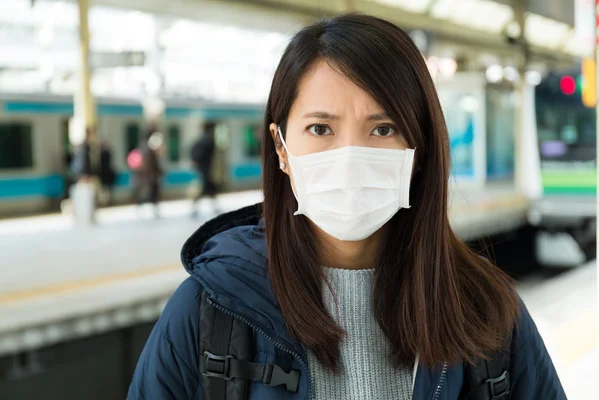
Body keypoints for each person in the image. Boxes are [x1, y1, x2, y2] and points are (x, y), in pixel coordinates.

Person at [128, 14, 566, 400]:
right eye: (320, 128)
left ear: (421, 149)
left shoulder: (487, 312)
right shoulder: (207, 312)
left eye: (383, 128)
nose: (351, 155)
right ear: (281, 147)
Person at [131, 125, 164, 218]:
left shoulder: (141, 147)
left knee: (147, 193)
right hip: (149, 176)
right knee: (151, 193)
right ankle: (152, 210)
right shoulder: (150, 149)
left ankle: (143, 208)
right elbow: (154, 164)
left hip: (142, 176)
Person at [190, 122, 219, 217]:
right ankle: (195, 208)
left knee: (208, 189)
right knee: (205, 188)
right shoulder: (207, 140)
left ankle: (197, 208)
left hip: (203, 169)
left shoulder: (200, 140)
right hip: (206, 169)